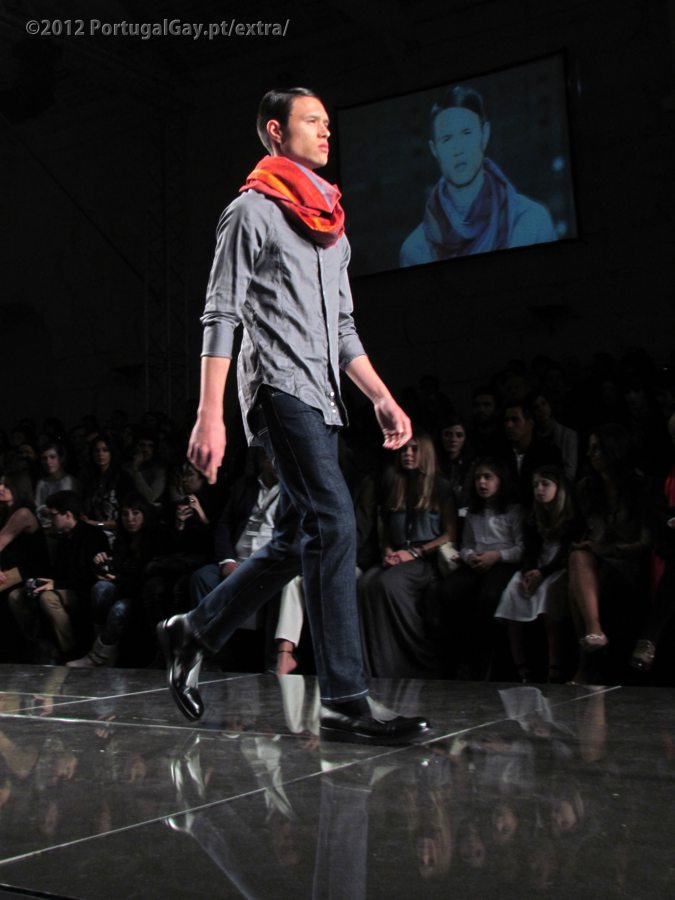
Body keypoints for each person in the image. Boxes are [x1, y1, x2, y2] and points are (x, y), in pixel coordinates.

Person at [156, 87, 429, 744]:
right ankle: (344, 700)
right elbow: (221, 311)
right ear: (276, 132)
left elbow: (343, 329)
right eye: (312, 121)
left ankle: (193, 630)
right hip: (278, 389)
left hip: (325, 396)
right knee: (334, 521)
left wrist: (380, 395)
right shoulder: (249, 212)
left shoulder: (332, 228)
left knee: (296, 537)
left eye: (329, 123)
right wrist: (211, 414)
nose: (326, 131)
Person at [400, 85, 557, 266]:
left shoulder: (532, 222)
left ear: (485, 134)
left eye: (466, 133)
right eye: (447, 138)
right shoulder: (415, 251)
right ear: (434, 149)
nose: (458, 149)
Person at [359, 432, 457, 677]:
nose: (408, 454)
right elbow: (386, 528)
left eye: (414, 449)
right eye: (403, 450)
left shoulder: (440, 487)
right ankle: (375, 665)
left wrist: (415, 552)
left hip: (425, 558)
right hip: (398, 553)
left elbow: (450, 534)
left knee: (388, 584)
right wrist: (388, 551)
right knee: (365, 583)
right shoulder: (396, 484)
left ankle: (409, 661)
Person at [494, 466, 579, 683]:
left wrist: (542, 573)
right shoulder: (533, 517)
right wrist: (528, 571)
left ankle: (554, 668)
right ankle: (521, 669)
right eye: (536, 485)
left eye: (545, 484)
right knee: (512, 592)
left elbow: (565, 553)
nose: (539, 489)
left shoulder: (570, 519)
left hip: (557, 569)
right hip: (536, 567)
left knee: (547, 597)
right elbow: (530, 549)